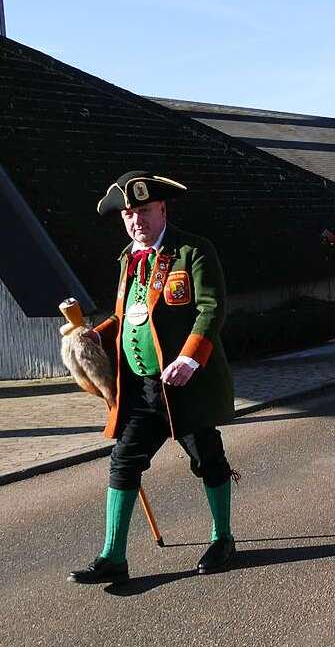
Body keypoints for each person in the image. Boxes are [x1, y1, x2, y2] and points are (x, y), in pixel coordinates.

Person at [68, 171, 236, 584]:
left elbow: (211, 309)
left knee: (207, 460)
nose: (136, 220)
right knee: (123, 462)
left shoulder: (193, 251)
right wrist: (94, 336)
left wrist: (190, 358)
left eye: (143, 210)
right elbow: (126, 318)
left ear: (162, 209)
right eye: (129, 213)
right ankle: (113, 557)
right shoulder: (128, 259)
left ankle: (223, 538)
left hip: (186, 385)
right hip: (141, 390)